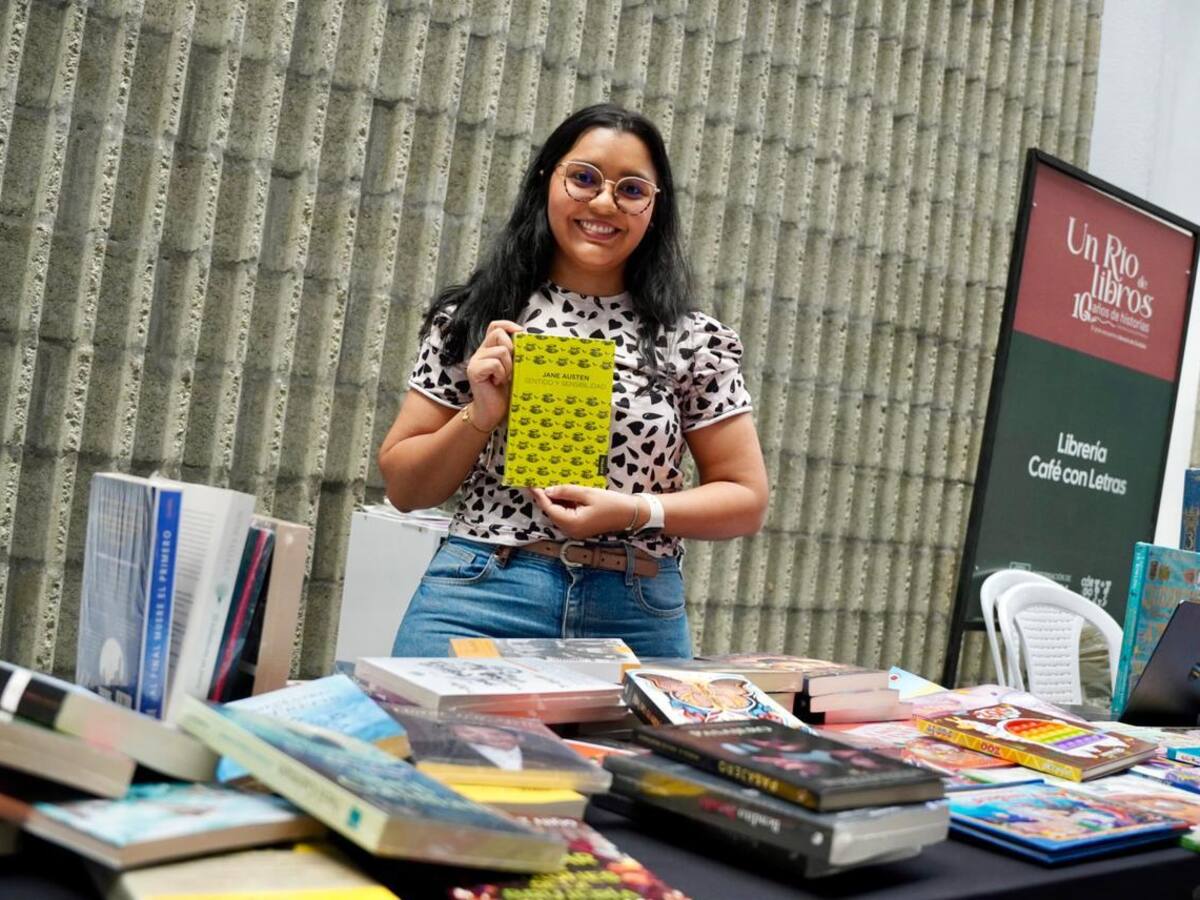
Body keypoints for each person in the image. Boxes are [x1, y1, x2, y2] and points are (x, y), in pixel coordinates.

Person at [378, 103, 769, 659]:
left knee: (632, 753)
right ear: (547, 180)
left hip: (636, 605)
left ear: (655, 209)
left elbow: (746, 499)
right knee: (441, 748)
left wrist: (636, 510)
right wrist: (480, 414)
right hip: (484, 589)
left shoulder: (694, 339)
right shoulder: (475, 318)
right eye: (584, 178)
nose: (604, 202)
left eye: (631, 190)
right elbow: (405, 489)